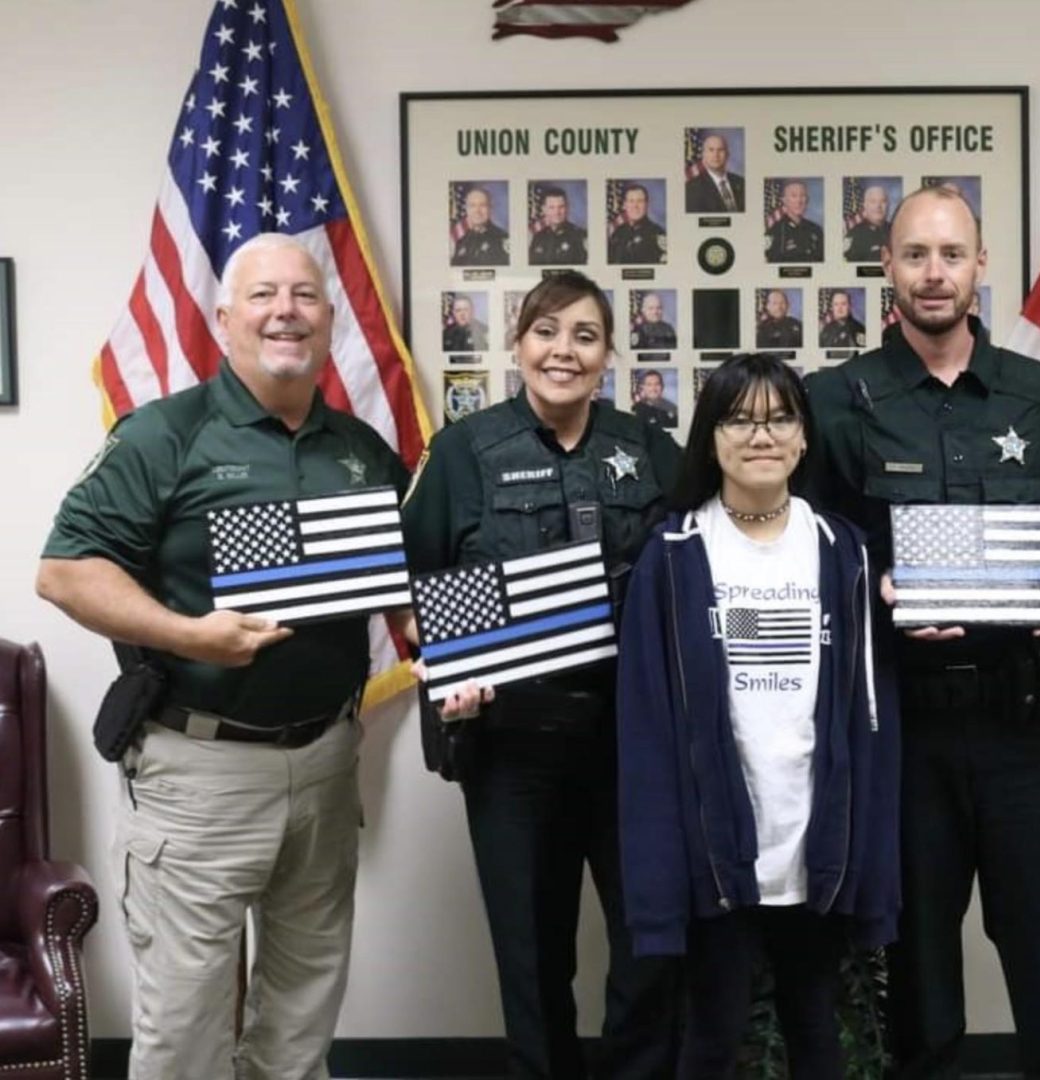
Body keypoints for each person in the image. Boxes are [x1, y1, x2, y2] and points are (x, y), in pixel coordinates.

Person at [36, 233, 409, 1080]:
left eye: (305, 296)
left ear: (328, 318)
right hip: (200, 775)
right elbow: (64, 571)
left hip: (326, 762)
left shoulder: (358, 448)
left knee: (301, 1021)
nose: (286, 312)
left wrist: (442, 634)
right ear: (223, 317)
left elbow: (398, 574)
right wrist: (187, 633)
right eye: (264, 295)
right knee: (185, 1032)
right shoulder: (164, 435)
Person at [806, 184, 1040, 1079]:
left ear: (980, 265)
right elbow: (803, 559)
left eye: (950, 254)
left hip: (1031, 723)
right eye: (915, 255)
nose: (933, 273)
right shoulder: (832, 401)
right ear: (886, 268)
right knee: (917, 988)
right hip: (903, 730)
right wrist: (872, 589)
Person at [401, 271, 682, 1079]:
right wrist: (450, 661)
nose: (565, 351)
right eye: (547, 331)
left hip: (633, 744)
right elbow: (410, 589)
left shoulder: (646, 448)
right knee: (531, 958)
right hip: (512, 745)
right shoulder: (464, 451)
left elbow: (697, 564)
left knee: (653, 944)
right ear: (517, 344)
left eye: (585, 336)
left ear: (609, 356)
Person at [617, 353, 900, 1079]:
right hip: (716, 844)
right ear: (710, 438)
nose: (761, 435)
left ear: (804, 438)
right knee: (712, 1036)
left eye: (780, 418)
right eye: (739, 420)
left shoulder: (843, 551)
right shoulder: (673, 555)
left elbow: (870, 718)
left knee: (816, 1031)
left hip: (814, 838)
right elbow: (646, 732)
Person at [685, 132, 746, 213]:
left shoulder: (741, 182)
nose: (716, 155)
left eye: (720, 150)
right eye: (711, 150)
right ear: (704, 155)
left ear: (727, 155)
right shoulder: (691, 189)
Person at [766, 180, 824, 264]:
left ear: (807, 200)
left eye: (803, 196)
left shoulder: (816, 230)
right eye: (794, 196)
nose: (799, 201)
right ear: (784, 200)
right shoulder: (776, 231)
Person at [452, 184, 511, 267]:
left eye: (482, 205)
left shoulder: (502, 239)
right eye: (472, 206)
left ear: (490, 208)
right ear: (467, 209)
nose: (477, 211)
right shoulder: (461, 241)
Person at [608, 183, 667, 265]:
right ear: (624, 205)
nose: (635, 206)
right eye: (631, 201)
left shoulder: (657, 234)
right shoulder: (618, 233)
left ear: (647, 204)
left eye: (640, 201)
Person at [528, 186, 589, 266]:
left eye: (561, 207)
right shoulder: (538, 238)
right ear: (544, 209)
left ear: (567, 208)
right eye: (551, 207)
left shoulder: (580, 236)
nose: (557, 212)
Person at [843, 184, 891, 262]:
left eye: (883, 201)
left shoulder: (896, 231)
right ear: (865, 205)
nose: (878, 206)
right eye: (873, 202)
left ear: (888, 205)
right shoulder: (855, 235)